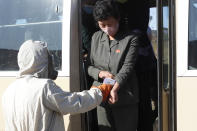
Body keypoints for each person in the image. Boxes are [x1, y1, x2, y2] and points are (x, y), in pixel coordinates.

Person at [2, 40, 113, 131]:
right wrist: (100, 91)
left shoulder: (9, 90)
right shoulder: (44, 87)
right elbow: (75, 103)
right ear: (43, 61)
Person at [88, 0, 140, 131]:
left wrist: (115, 88)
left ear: (118, 18)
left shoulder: (131, 38)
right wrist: (99, 74)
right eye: (102, 25)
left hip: (125, 98)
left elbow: (127, 67)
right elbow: (89, 66)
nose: (106, 29)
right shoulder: (95, 38)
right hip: (101, 96)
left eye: (110, 24)